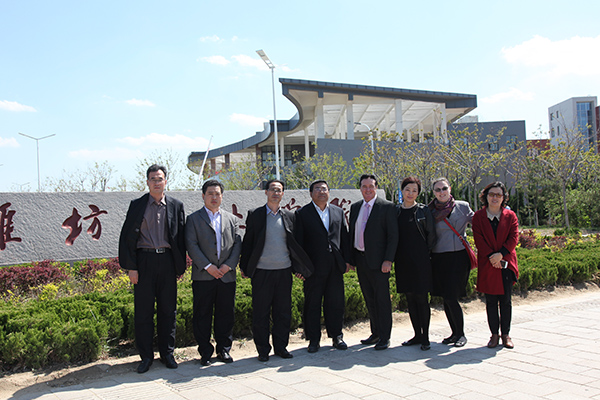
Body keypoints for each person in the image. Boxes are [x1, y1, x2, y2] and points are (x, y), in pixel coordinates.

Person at [118, 164, 186, 373]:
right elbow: (127, 237)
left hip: (167, 262)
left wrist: (179, 266)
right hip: (144, 262)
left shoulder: (176, 205)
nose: (157, 182)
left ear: (166, 181)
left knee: (168, 311)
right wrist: (131, 267)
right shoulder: (137, 205)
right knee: (144, 312)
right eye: (153, 179)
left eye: (160, 179)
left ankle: (167, 354)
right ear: (147, 182)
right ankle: (146, 357)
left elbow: (180, 238)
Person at [240, 179, 313, 362]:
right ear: (266, 192)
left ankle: (281, 347)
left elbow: (295, 245)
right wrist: (245, 267)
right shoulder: (255, 215)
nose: (275, 193)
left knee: (283, 312)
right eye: (272, 190)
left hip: (284, 271)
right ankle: (263, 350)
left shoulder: (289, 216)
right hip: (262, 272)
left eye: (279, 190)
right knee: (261, 313)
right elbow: (248, 243)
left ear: (283, 194)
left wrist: (298, 268)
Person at [185, 180, 242, 366]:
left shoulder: (231, 219)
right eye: (210, 193)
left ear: (222, 196)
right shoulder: (193, 219)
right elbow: (191, 245)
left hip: (226, 275)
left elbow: (237, 244)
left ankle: (224, 349)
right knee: (202, 314)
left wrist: (228, 266)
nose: (214, 197)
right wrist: (208, 266)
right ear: (203, 196)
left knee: (226, 314)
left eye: (217, 194)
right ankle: (205, 351)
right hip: (203, 276)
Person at [295, 179, 351, 353]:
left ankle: (337, 336)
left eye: (324, 189)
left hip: (335, 265)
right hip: (313, 267)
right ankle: (313, 339)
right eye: (317, 189)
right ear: (311, 193)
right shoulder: (302, 213)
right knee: (312, 304)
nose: (321, 192)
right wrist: (299, 268)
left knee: (336, 302)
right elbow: (298, 243)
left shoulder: (337, 211)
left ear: (329, 192)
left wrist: (347, 260)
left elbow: (344, 237)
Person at [349, 174, 399, 350]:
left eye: (371, 186)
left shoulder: (387, 207)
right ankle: (375, 333)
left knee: (382, 300)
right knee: (369, 298)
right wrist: (351, 260)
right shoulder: (355, 207)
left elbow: (393, 236)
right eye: (364, 186)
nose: (368, 189)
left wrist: (388, 260)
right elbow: (352, 234)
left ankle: (385, 336)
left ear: (376, 187)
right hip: (361, 260)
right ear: (360, 188)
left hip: (379, 263)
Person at [472, 182, 519, 349]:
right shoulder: (478, 216)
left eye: (498, 195)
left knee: (506, 301)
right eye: (492, 194)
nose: (495, 198)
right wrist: (492, 257)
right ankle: (494, 335)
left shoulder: (510, 216)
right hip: (488, 263)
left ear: (503, 197)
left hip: (506, 262)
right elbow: (479, 240)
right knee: (491, 301)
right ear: (486, 196)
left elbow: (514, 237)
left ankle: (506, 334)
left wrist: (501, 255)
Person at [428, 177, 474, 348]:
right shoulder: (430, 210)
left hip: (458, 257)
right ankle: (454, 333)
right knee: (445, 298)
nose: (441, 192)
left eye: (444, 188)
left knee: (452, 296)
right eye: (438, 189)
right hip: (439, 257)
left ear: (450, 188)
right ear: (433, 192)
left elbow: (478, 222)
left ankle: (461, 334)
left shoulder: (462, 207)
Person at [394, 177, 437, 351]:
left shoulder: (423, 211)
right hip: (403, 262)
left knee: (421, 298)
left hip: (421, 261)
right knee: (410, 299)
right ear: (402, 191)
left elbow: (432, 235)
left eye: (414, 191)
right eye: (407, 190)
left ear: (418, 193)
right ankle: (417, 335)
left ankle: (425, 337)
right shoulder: (396, 211)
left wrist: (425, 254)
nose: (410, 193)